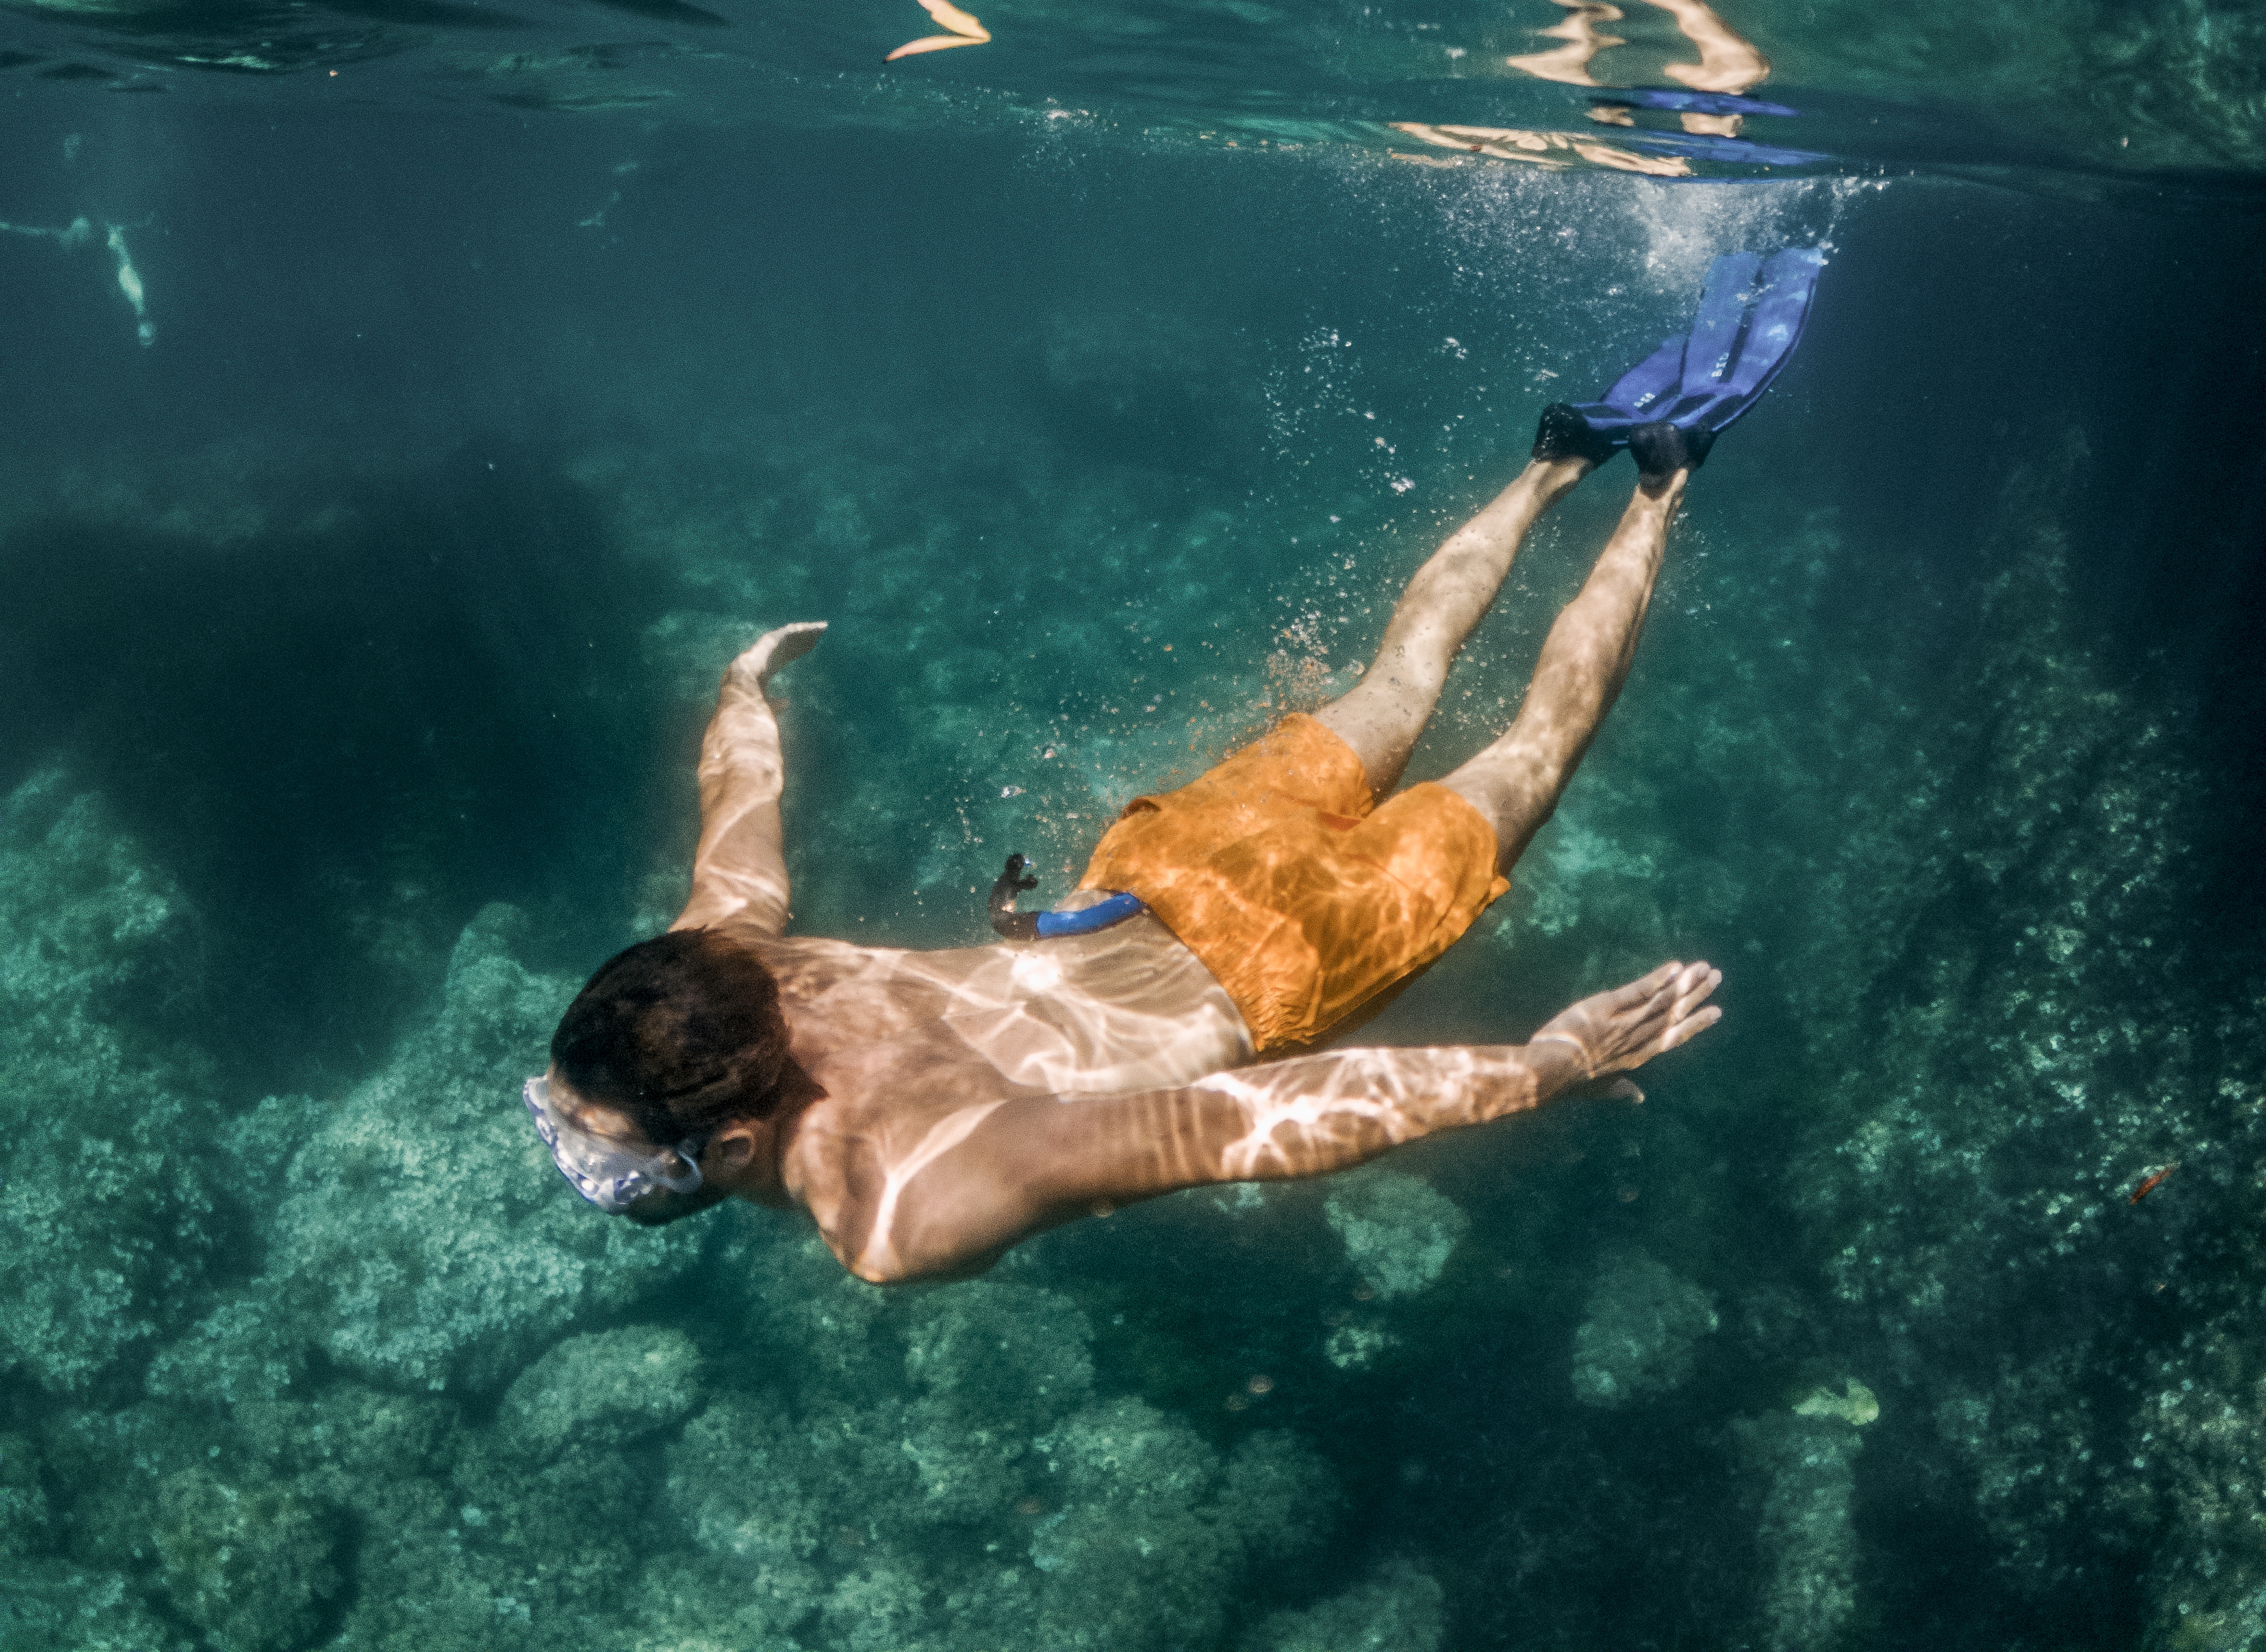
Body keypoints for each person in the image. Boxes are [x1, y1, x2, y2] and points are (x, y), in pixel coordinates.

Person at [525, 248, 1825, 1283]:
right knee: (1399, 677)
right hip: (1172, 864)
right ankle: (1556, 461)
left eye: (604, 1158)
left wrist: (1541, 1072)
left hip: (1291, 956)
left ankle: (1660, 484)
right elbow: (739, 817)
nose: (585, 1170)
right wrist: (741, 691)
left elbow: (1234, 1127)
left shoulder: (900, 1205)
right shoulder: (716, 964)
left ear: (729, 1148)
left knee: (1535, 743)